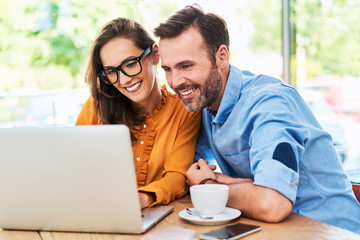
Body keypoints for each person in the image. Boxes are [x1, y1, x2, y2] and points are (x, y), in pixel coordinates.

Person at [154, 5, 360, 233]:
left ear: (221, 57)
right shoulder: (203, 106)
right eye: (168, 69)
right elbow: (189, 172)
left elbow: (271, 203)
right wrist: (236, 184)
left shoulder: (270, 103)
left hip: (331, 231)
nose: (175, 82)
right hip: (272, 230)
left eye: (186, 66)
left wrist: (209, 186)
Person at [76, 17, 201, 209]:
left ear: (155, 55)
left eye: (130, 64)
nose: (124, 80)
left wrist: (141, 199)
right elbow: (75, 167)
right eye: (111, 71)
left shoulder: (185, 111)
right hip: (97, 210)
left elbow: (177, 177)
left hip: (151, 214)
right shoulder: (96, 107)